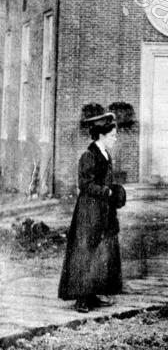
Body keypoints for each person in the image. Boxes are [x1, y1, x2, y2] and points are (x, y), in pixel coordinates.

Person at [59, 112, 124, 313]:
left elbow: (102, 180)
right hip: (90, 211)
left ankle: (93, 293)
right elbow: (85, 184)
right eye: (113, 135)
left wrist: (114, 190)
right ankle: (81, 298)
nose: (115, 139)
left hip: (104, 210)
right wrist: (107, 191)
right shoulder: (89, 155)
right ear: (102, 135)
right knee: (86, 250)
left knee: (102, 250)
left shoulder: (105, 154)